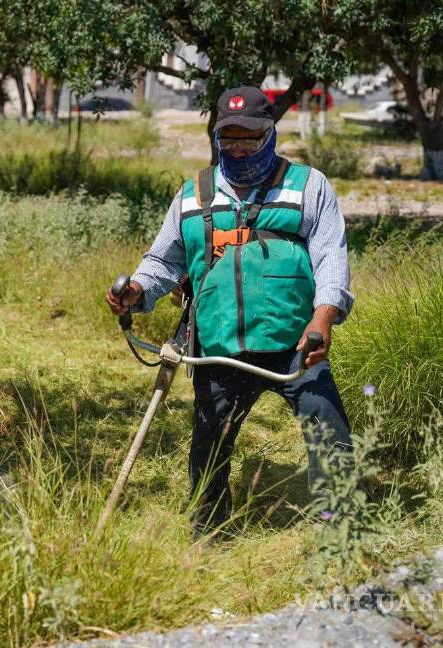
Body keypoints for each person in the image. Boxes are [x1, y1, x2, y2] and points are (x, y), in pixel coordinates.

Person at [105, 86, 354, 537]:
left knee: (327, 426)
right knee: (209, 446)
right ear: (217, 136)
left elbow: (330, 257)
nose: (238, 147)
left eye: (249, 137)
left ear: (270, 133)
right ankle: (212, 533)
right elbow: (165, 261)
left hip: (295, 343)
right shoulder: (193, 194)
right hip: (220, 345)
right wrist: (138, 289)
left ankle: (338, 532)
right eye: (229, 137)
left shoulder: (307, 186)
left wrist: (324, 316)